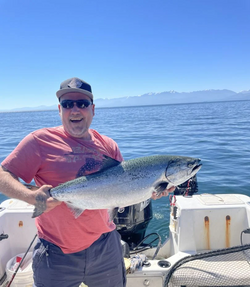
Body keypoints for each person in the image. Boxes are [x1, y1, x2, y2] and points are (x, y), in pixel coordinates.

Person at [0, 77, 174, 287]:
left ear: (93, 109)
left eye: (82, 104)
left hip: (105, 248)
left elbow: (123, 188)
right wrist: (31, 197)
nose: (75, 110)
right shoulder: (39, 141)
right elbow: (3, 174)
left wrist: (150, 190)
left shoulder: (108, 145)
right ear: (59, 109)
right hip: (55, 254)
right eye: (67, 104)